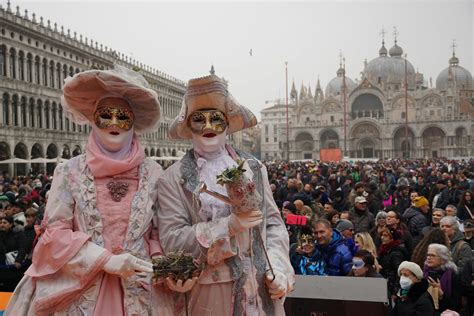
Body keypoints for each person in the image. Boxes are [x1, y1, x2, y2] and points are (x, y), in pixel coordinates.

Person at [5, 66, 176, 315]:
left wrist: (160, 262)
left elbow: (157, 234)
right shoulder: (70, 171)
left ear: (134, 121)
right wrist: (104, 260)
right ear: (93, 119)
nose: (114, 123)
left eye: (123, 115)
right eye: (106, 115)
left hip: (142, 288)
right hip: (82, 287)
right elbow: (54, 235)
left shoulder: (154, 172)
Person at [157, 72, 294, 315]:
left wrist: (278, 268)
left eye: (215, 119)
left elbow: (272, 225)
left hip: (260, 296)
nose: (208, 126)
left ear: (227, 123)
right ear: (189, 126)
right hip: (209, 298)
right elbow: (172, 242)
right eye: (199, 119)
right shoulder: (173, 179)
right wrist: (226, 226)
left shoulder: (254, 168)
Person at [423, 243, 462, 314]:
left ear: (443, 259)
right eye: (428, 255)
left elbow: (455, 305)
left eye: (433, 255)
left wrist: (440, 293)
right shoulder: (425, 272)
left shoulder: (453, 276)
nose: (428, 258)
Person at [378, 227, 408, 297]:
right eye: (382, 235)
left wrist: (395, 291)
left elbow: (399, 272)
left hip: (391, 286)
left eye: (385, 236)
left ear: (392, 238)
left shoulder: (396, 253)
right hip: (386, 283)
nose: (382, 237)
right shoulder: (384, 250)